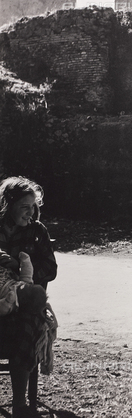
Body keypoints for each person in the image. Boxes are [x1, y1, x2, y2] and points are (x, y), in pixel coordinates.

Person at [0, 176, 57, 418]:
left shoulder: (37, 231)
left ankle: (20, 404)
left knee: (28, 325)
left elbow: (51, 270)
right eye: (25, 206)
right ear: (7, 204)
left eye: (33, 206)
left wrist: (19, 267)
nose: (30, 212)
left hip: (27, 302)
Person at [0, 251, 47, 316]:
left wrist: (7, 301)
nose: (28, 285)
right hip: (5, 275)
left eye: (29, 288)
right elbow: (27, 273)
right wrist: (26, 260)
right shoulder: (25, 284)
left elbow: (2, 309)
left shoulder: (12, 304)